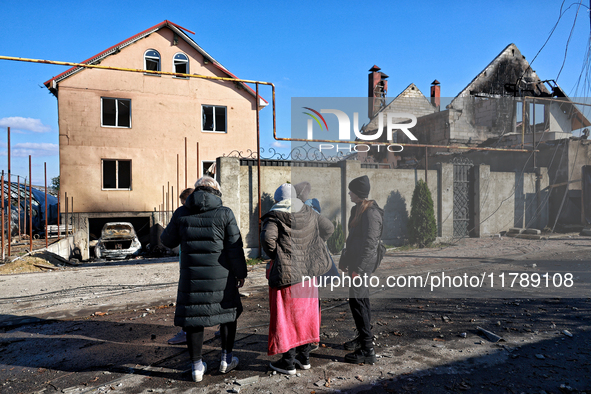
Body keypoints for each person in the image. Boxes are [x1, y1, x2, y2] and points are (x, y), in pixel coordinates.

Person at [161, 176, 247, 382]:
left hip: (192, 277)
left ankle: (197, 367)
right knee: (227, 314)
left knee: (194, 319)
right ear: (216, 191)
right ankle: (226, 359)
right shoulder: (225, 213)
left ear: (197, 190)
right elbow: (235, 247)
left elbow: (166, 240)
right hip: (222, 276)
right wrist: (241, 273)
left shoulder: (181, 213)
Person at [261, 183, 334, 375]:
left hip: (287, 275)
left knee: (286, 317)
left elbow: (268, 240)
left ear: (277, 199)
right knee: (306, 315)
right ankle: (305, 357)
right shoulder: (309, 212)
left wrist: (277, 256)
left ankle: (288, 362)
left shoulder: (275, 215)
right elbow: (329, 228)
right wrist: (315, 245)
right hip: (309, 274)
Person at [339, 175, 383, 365]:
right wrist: (346, 260)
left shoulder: (372, 213)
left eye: (351, 190)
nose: (349, 193)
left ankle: (367, 350)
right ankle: (362, 338)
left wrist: (358, 269)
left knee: (358, 302)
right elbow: (353, 239)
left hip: (362, 265)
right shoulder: (357, 209)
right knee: (361, 300)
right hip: (356, 262)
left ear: (358, 193)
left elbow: (370, 245)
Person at [167, 187, 195, 346]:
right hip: (210, 265)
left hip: (189, 264)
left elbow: (168, 239)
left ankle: (186, 332)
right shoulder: (218, 212)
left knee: (188, 299)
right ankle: (223, 327)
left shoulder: (182, 214)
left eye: (183, 203)